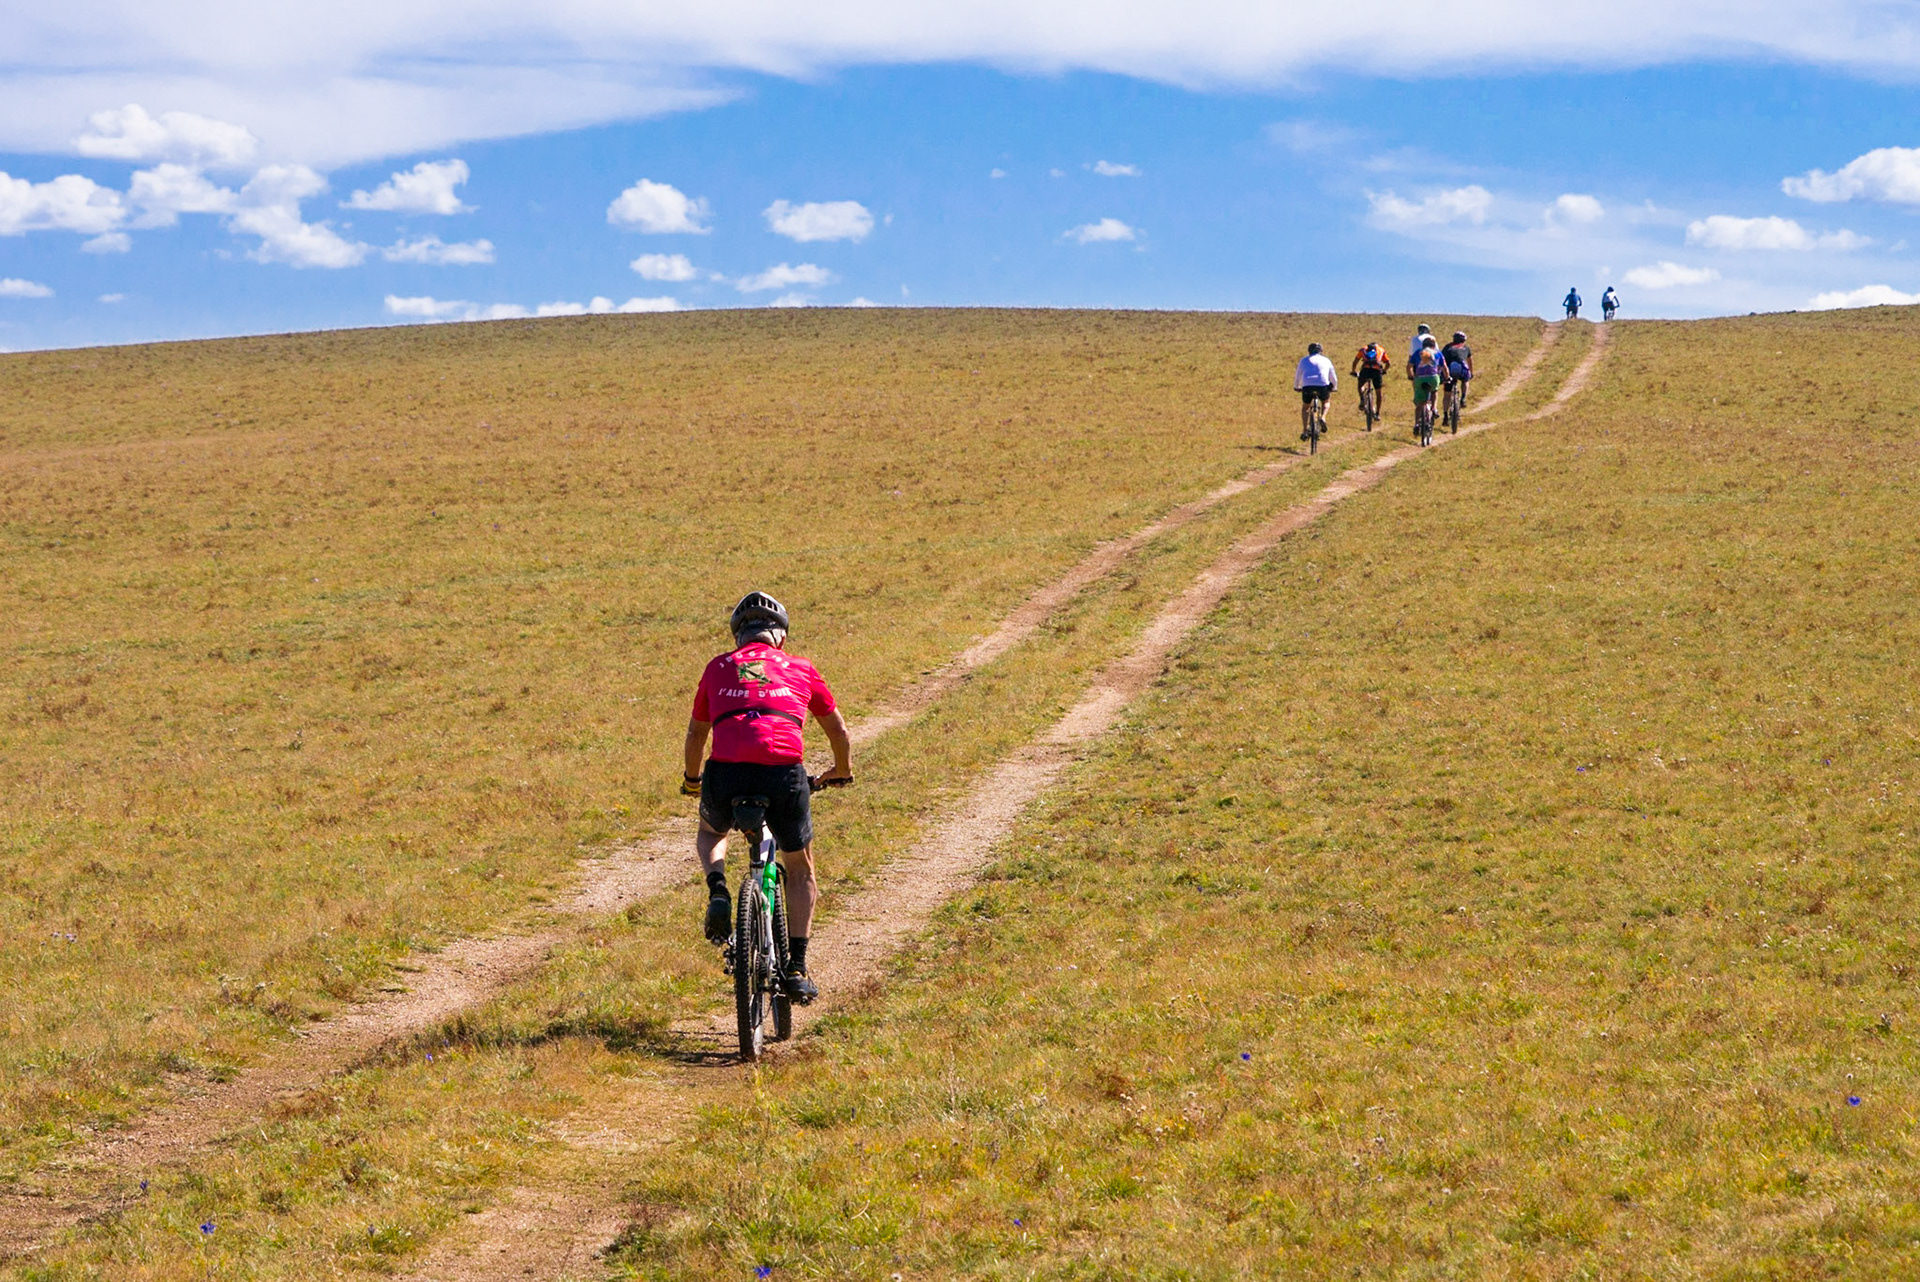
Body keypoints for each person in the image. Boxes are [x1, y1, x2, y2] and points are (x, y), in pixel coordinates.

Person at [682, 591, 853, 1003]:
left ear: (739, 636)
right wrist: (841, 771)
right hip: (783, 773)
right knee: (800, 867)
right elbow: (837, 731)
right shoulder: (800, 668)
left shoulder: (717, 667)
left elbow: (695, 734)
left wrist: (692, 780)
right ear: (781, 636)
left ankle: (719, 889)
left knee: (710, 832)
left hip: (726, 771)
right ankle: (796, 968)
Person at [1294, 342, 1337, 440]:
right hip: (1322, 386)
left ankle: (1305, 430)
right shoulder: (1326, 360)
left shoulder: (1303, 360)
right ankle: (1323, 417)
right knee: (1326, 402)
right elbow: (1333, 376)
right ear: (1321, 351)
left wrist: (1297, 386)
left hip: (1307, 386)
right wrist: (1334, 386)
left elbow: (1298, 376)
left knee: (1305, 407)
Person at [1409, 335, 1446, 427]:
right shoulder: (1438, 353)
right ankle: (1434, 409)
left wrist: (1411, 376)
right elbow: (1445, 368)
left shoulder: (1418, 352)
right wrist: (1447, 377)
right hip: (1433, 378)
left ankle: (1417, 424)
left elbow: (1408, 366)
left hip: (1419, 378)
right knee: (1434, 391)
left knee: (1420, 404)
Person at [1351, 340, 1392, 414]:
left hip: (1365, 370)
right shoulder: (1381, 349)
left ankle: (1362, 399)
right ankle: (1377, 413)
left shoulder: (1363, 349)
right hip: (1376, 371)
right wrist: (1384, 371)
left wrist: (1353, 371)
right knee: (1378, 393)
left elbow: (1355, 361)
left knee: (1360, 385)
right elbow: (1388, 363)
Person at [1441, 330, 1473, 404]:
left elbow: (1442, 360)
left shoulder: (1447, 347)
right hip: (1461, 369)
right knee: (1465, 380)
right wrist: (1470, 372)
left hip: (1449, 369)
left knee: (1447, 394)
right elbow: (1470, 361)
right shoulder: (1466, 348)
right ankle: (1463, 397)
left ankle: (1445, 414)